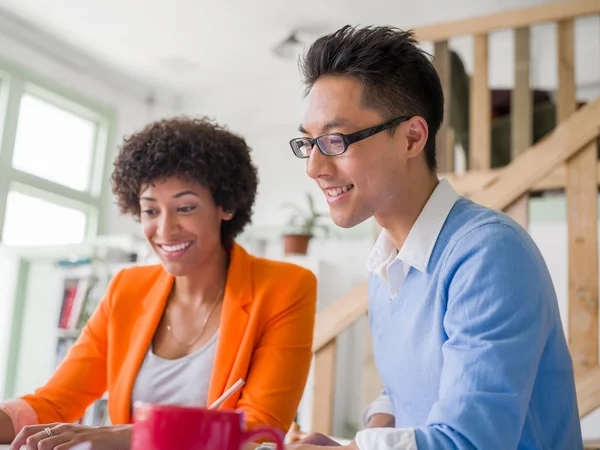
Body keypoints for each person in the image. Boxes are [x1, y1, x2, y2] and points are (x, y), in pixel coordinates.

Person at [282, 25, 583, 450]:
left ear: (412, 137)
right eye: (309, 142)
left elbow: (472, 441)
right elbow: (413, 386)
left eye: (334, 140)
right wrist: (376, 425)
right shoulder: (387, 264)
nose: (314, 167)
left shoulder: (487, 254)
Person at [0, 116, 317, 449]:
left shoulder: (285, 287)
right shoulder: (127, 288)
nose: (165, 230)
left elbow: (259, 430)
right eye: (151, 211)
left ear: (225, 205)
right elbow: (54, 402)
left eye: (185, 207)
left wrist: (123, 436)